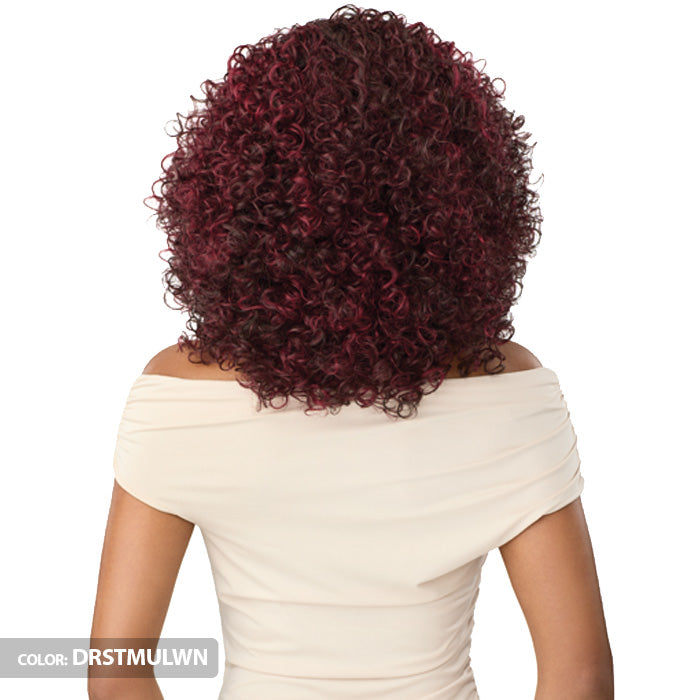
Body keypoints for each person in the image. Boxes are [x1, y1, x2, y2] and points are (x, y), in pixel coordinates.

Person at [89, 5, 613, 699]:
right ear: (463, 201)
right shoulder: (510, 392)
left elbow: (115, 671)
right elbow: (580, 675)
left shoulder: (177, 397)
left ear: (237, 195)